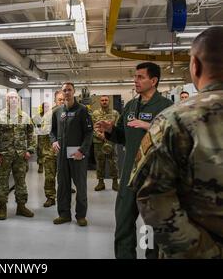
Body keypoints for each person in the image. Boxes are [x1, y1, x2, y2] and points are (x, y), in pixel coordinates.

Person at [130, 26, 223, 259]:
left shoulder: (176, 119)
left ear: (195, 66)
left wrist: (203, 251)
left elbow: (151, 197)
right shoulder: (142, 109)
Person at [95, 62, 173, 259]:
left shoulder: (166, 107)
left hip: (154, 178)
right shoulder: (130, 106)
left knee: (151, 230)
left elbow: (174, 138)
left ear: (153, 81)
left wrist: (150, 126)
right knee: (123, 225)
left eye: (140, 77)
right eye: (135, 76)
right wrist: (110, 130)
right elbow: (122, 136)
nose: (135, 81)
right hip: (129, 176)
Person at [0, 91, 36, 220]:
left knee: (21, 182)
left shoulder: (25, 117)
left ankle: (21, 207)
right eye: (10, 98)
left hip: (20, 156)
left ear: (19, 101)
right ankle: (2, 208)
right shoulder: (0, 116)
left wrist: (30, 150)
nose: (13, 100)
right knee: (2, 182)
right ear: (6, 101)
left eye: (15, 98)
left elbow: (31, 134)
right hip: (4, 155)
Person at [50, 82, 93, 226]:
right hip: (62, 154)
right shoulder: (57, 112)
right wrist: (54, 141)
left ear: (74, 92)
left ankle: (80, 216)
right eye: (64, 90)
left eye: (69, 90)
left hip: (77, 154)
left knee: (80, 186)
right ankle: (64, 214)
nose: (66, 93)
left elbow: (88, 133)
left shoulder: (82, 110)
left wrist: (82, 150)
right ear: (61, 93)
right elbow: (53, 131)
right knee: (62, 185)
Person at [91, 95, 120, 192]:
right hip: (98, 142)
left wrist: (109, 135)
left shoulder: (115, 113)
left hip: (111, 142)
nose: (104, 102)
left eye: (106, 100)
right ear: (100, 102)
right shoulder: (95, 113)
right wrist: (100, 135)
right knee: (100, 162)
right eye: (102, 100)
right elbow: (92, 127)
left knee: (113, 162)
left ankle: (115, 182)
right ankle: (100, 182)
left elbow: (118, 127)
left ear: (109, 101)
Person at [33, 102, 51, 174]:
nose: (46, 108)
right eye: (45, 107)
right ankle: (40, 165)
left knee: (49, 151)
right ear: (42, 108)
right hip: (41, 136)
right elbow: (33, 123)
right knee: (40, 151)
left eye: (48, 107)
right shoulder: (38, 116)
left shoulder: (51, 115)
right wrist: (37, 129)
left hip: (49, 136)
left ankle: (48, 165)